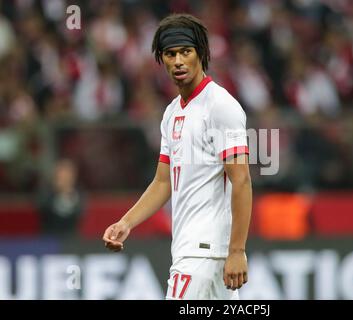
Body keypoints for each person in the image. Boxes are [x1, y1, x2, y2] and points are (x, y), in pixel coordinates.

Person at [103, 13, 252, 300]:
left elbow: (242, 179)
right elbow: (163, 182)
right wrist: (126, 223)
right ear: (161, 59)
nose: (179, 61)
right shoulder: (172, 112)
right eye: (170, 54)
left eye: (186, 51)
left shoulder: (220, 106)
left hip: (202, 253)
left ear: (201, 54)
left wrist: (238, 250)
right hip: (197, 251)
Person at [37, 158, 84, 236]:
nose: (64, 177)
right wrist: (56, 191)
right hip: (49, 239)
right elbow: (42, 209)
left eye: (67, 174)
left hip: (71, 239)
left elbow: (78, 214)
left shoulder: (79, 194)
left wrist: (67, 193)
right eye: (61, 174)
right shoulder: (46, 192)